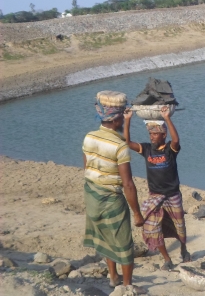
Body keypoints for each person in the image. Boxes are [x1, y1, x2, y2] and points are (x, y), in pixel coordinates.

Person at [82, 91, 145, 294]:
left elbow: (87, 168)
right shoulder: (119, 146)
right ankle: (126, 285)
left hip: (92, 196)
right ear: (117, 119)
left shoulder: (89, 137)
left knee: (107, 239)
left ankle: (113, 277)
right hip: (111, 199)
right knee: (124, 243)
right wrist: (136, 212)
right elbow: (128, 184)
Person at [124, 106, 191, 271]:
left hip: (172, 195)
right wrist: (127, 120)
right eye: (150, 134)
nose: (152, 137)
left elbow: (176, 141)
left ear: (163, 135)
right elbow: (127, 142)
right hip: (155, 196)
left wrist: (167, 118)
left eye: (155, 134)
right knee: (153, 228)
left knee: (179, 227)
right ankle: (167, 259)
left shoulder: (170, 150)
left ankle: (183, 249)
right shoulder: (146, 149)